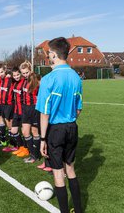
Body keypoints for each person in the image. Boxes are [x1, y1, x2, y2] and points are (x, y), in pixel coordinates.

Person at [36, 37, 83, 213]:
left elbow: (44, 113)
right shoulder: (76, 77)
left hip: (55, 130)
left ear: (54, 55)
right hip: (72, 127)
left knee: (58, 173)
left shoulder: (48, 79)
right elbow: (78, 109)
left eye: (49, 53)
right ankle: (78, 210)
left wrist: (42, 138)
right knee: (70, 169)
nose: (48, 56)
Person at [20, 61, 41, 163]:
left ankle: (36, 155)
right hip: (25, 109)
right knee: (25, 132)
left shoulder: (36, 80)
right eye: (23, 73)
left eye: (26, 72)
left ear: (30, 70)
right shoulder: (23, 80)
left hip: (34, 108)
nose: (25, 75)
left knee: (35, 132)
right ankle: (32, 154)